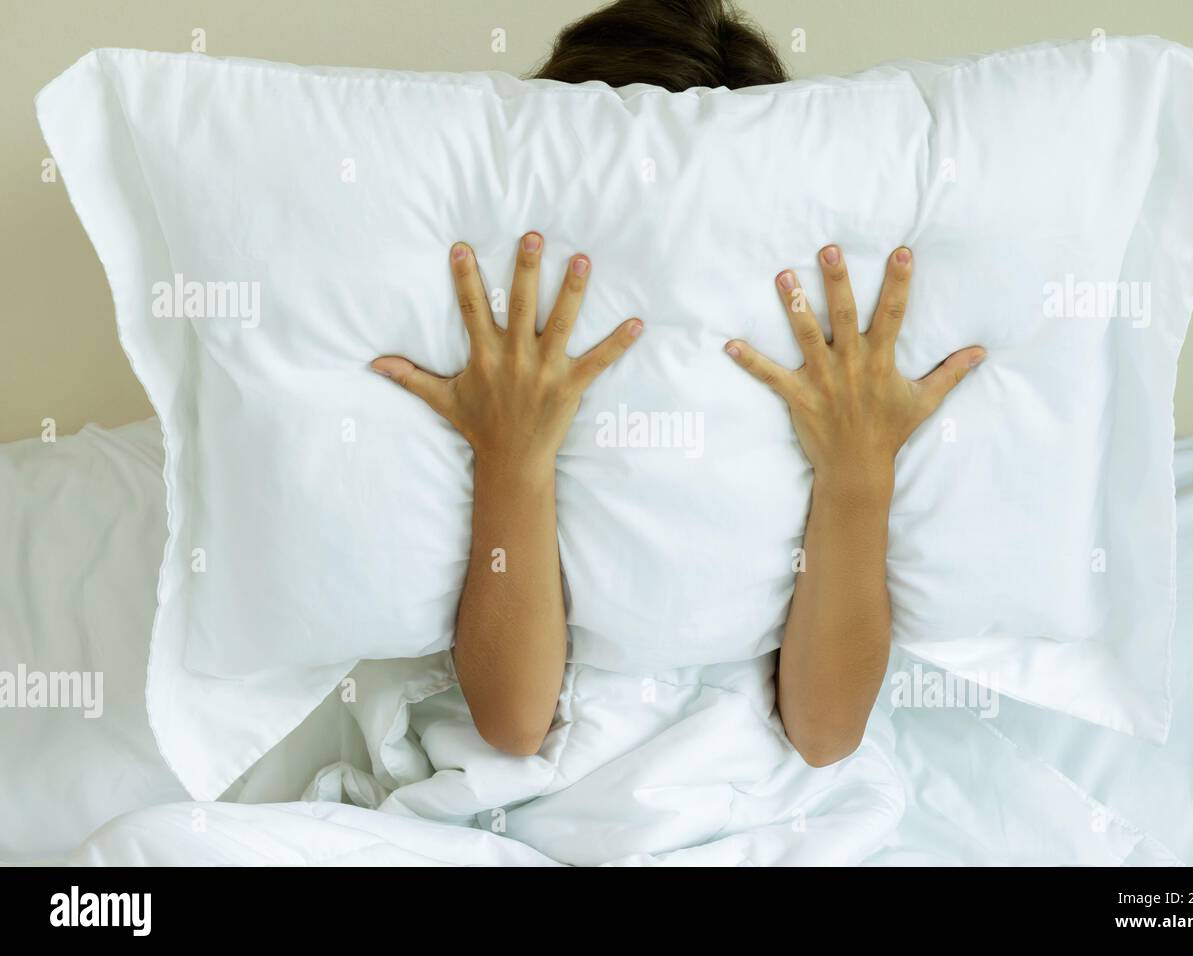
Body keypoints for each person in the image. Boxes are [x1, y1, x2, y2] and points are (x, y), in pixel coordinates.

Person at [370, 0, 984, 766]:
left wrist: (860, 472)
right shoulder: (511, 382)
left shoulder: (802, 387)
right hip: (533, 795)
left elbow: (826, 733)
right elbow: (514, 722)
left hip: (775, 801)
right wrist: (510, 458)